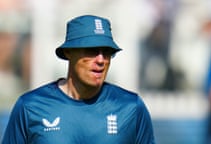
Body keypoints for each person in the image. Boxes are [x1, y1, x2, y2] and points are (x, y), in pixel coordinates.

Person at [2, 15, 155, 144]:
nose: (101, 59)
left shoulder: (131, 107)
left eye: (107, 52)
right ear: (68, 52)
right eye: (91, 50)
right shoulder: (30, 107)